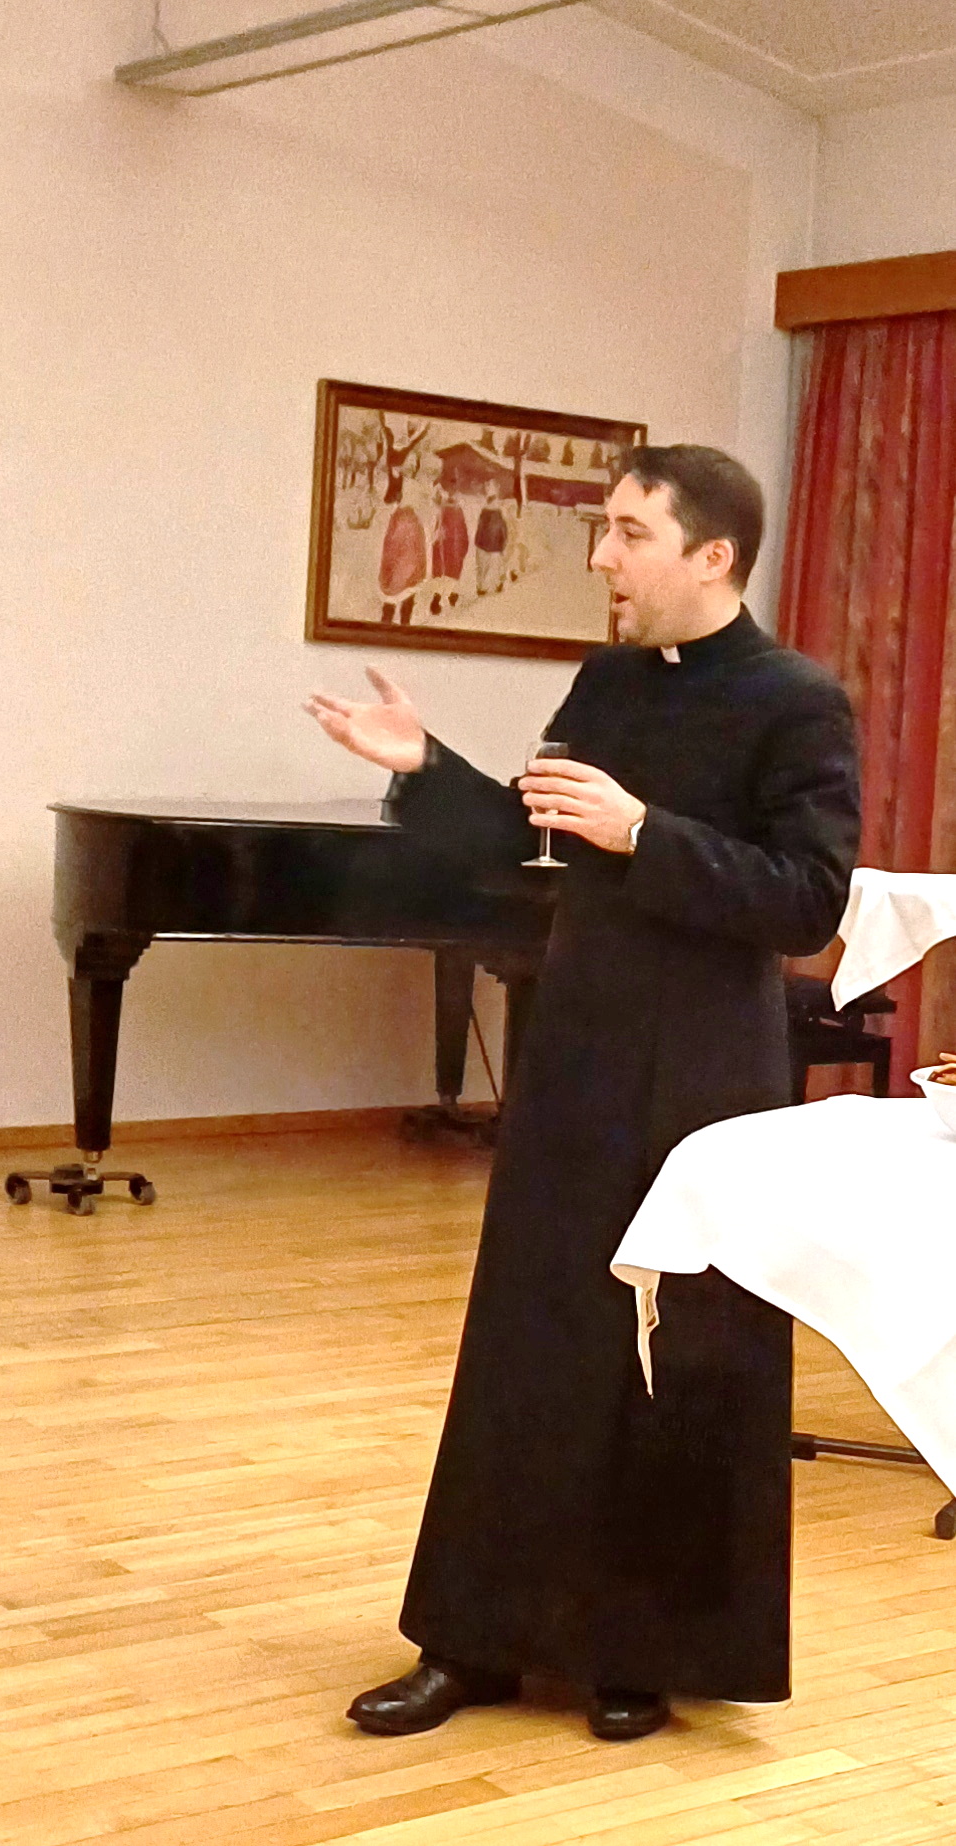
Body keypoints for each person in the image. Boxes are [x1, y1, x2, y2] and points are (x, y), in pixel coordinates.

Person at [304, 446, 861, 1743]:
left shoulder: (798, 703)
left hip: (703, 1082)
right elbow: (535, 843)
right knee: (531, 1341)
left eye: (625, 533)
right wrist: (424, 769)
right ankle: (474, 1639)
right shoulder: (606, 682)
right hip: (577, 1055)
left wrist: (644, 833)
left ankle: (639, 1653)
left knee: (674, 1358)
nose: (601, 557)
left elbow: (805, 900)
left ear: (710, 556)